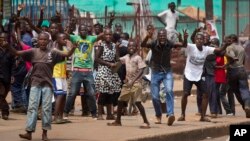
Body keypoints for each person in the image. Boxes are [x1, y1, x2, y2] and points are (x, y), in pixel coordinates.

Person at [7, 32, 76, 141]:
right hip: (35, 83)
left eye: (45, 40)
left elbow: (67, 55)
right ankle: (29, 132)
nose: (43, 41)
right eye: (41, 39)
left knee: (46, 108)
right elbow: (17, 52)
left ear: (48, 41)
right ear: (38, 41)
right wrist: (8, 46)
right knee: (32, 107)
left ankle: (45, 133)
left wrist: (72, 48)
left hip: (47, 84)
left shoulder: (53, 52)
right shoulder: (32, 52)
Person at [141, 28, 188, 126]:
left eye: (164, 36)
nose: (162, 38)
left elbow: (183, 45)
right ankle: (158, 115)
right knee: (154, 97)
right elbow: (143, 45)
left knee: (169, 91)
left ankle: (170, 114)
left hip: (167, 72)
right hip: (155, 72)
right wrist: (147, 36)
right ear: (158, 37)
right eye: (160, 36)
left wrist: (185, 38)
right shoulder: (154, 43)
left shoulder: (169, 43)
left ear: (166, 36)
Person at [177, 32, 228, 122]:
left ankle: (203, 116)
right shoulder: (191, 47)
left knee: (205, 94)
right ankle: (182, 115)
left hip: (199, 75)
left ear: (204, 41)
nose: (199, 41)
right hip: (189, 74)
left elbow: (219, 50)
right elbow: (184, 44)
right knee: (185, 94)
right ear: (195, 40)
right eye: (197, 39)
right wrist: (184, 38)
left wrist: (226, 44)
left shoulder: (207, 49)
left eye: (201, 39)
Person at [107, 40, 150, 128]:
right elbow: (118, 59)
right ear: (127, 48)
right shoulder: (126, 57)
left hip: (136, 84)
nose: (131, 48)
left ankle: (146, 122)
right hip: (127, 83)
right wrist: (116, 48)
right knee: (120, 100)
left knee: (137, 102)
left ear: (136, 48)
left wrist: (133, 81)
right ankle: (118, 121)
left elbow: (141, 70)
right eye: (129, 46)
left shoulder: (138, 57)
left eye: (133, 46)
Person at [95, 28, 121, 120]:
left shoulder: (115, 46)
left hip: (111, 71)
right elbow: (96, 59)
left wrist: (118, 63)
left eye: (110, 34)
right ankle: (99, 114)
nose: (108, 36)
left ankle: (109, 114)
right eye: (106, 35)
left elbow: (117, 58)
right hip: (103, 69)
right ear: (103, 35)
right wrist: (108, 63)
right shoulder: (101, 45)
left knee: (111, 93)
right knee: (103, 92)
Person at [225, 34, 250, 118]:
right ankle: (247, 105)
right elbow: (244, 61)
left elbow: (231, 55)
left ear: (232, 40)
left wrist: (233, 57)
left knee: (237, 92)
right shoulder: (242, 48)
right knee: (245, 89)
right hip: (242, 70)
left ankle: (245, 107)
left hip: (233, 71)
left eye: (229, 39)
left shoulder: (230, 47)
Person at [0, 32, 15, 120]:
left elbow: (13, 65)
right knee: (1, 94)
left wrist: (13, 75)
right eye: (1, 38)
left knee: (3, 95)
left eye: (4, 38)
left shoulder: (10, 50)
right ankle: (5, 112)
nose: (3, 40)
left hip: (7, 76)